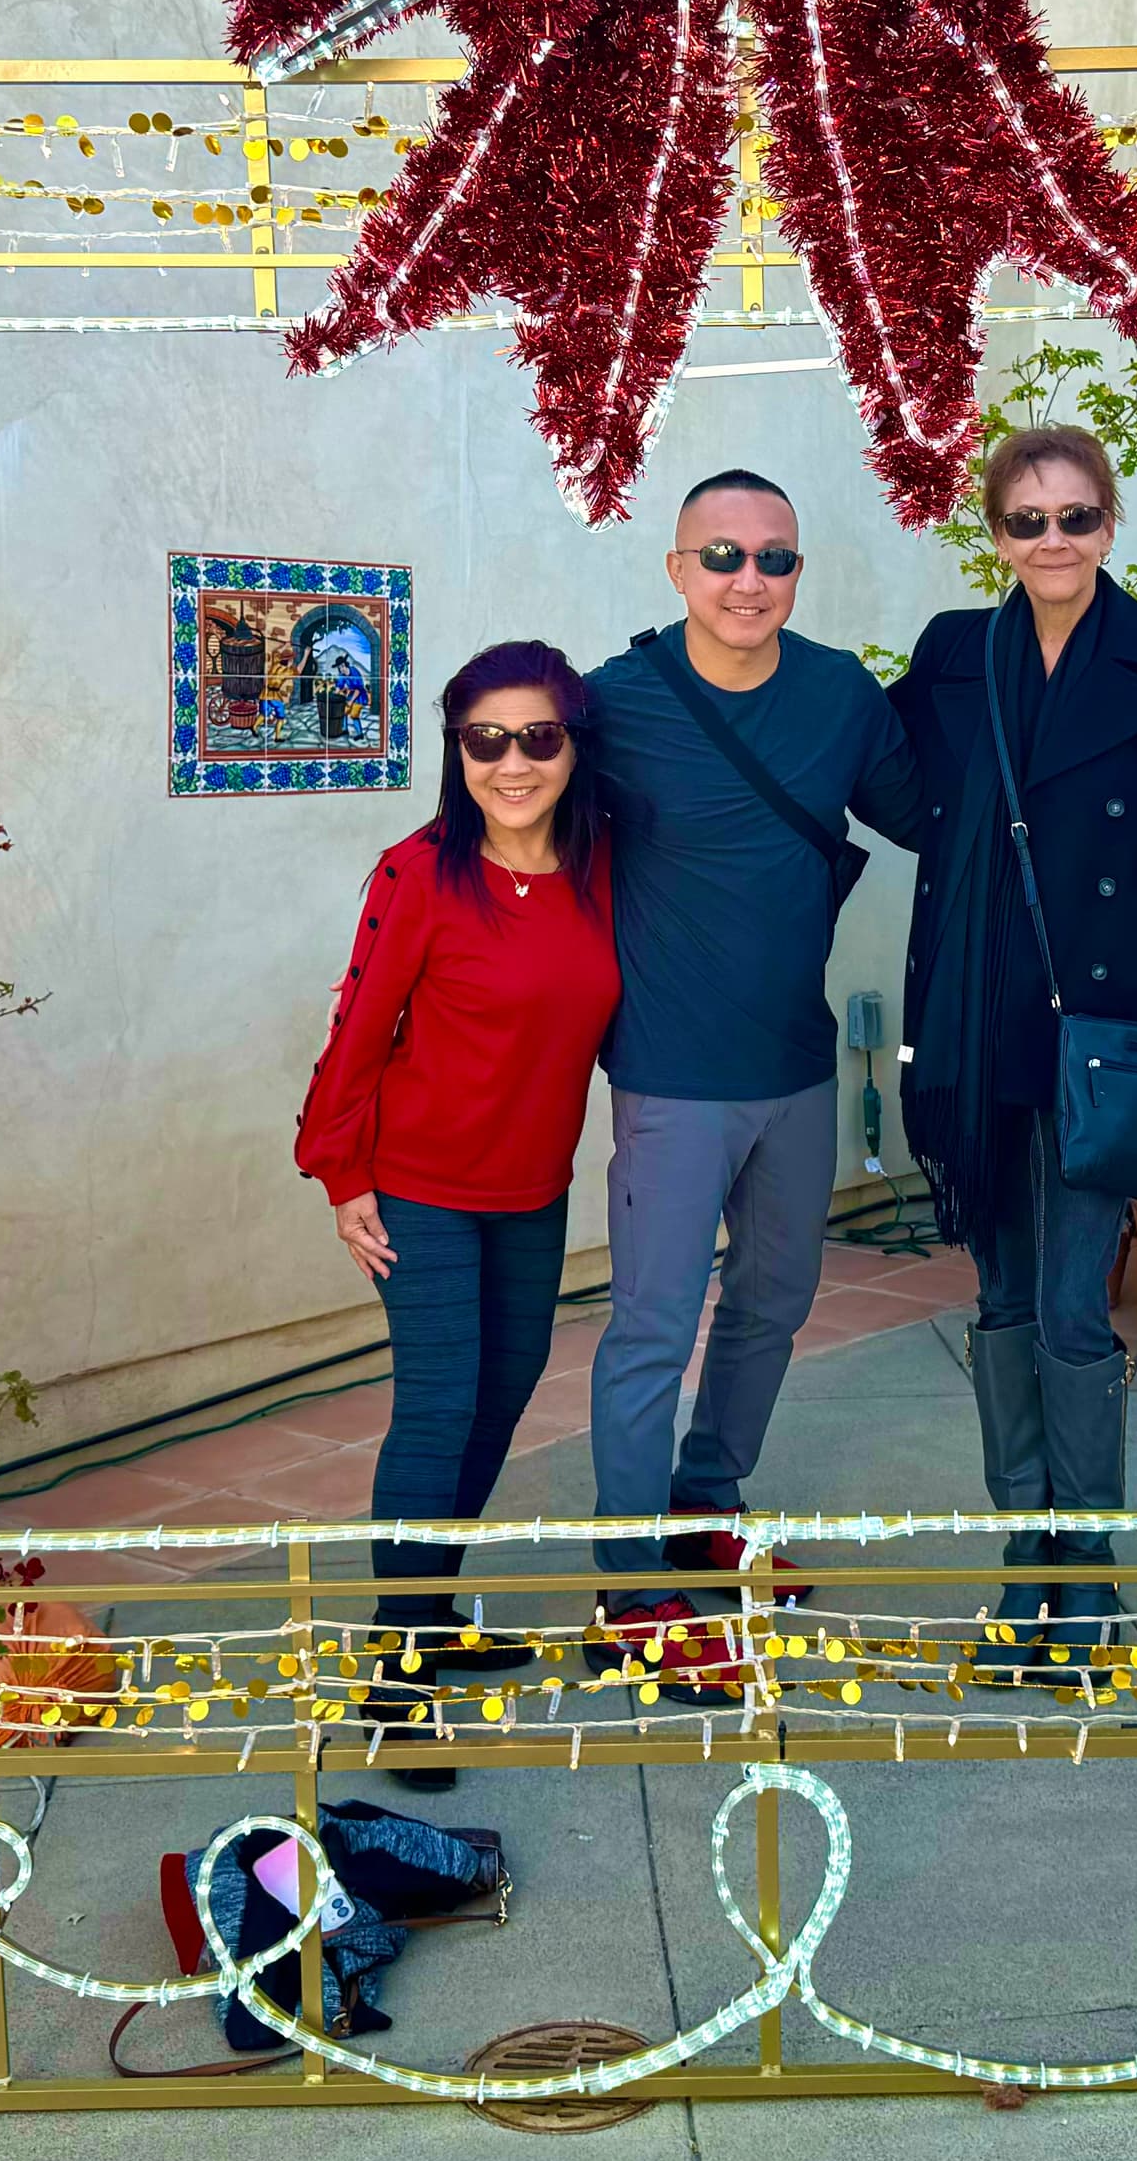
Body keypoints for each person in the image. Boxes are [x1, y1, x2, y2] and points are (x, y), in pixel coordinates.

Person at [890, 424, 1137, 1671]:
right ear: (995, 535)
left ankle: (1084, 1571)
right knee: (997, 1297)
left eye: (1075, 518)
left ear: (1111, 526)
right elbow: (880, 778)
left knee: (1072, 1306)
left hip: (1105, 1033)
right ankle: (1021, 1561)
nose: (1052, 541)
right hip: (973, 1024)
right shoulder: (952, 658)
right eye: (1027, 521)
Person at [580, 468, 919, 1687]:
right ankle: (631, 1585)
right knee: (652, 1329)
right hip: (671, 1074)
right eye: (721, 556)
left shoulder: (838, 694)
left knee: (775, 1299)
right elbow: (513, 822)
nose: (748, 580)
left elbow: (938, 810)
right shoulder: (613, 704)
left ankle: (704, 1501)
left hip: (796, 1062)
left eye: (774, 558)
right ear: (675, 570)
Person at [294, 640, 622, 1782]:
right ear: (459, 752)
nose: (514, 763)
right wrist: (342, 1177)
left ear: (574, 744)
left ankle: (429, 1616)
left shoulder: (603, 868)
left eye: (538, 737)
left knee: (504, 1393)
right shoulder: (420, 872)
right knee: (438, 1410)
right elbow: (359, 1026)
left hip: (532, 1186)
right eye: (487, 741)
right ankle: (396, 1679)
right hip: (421, 1188)